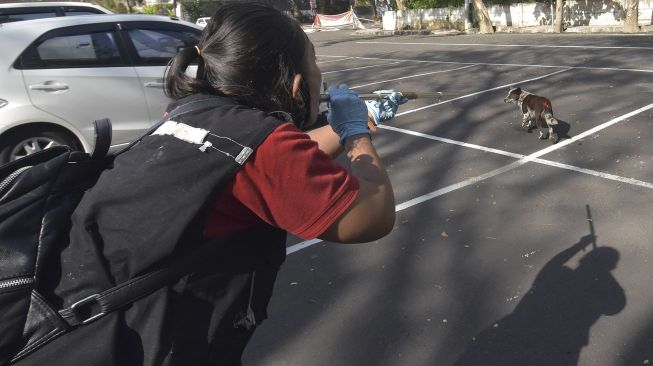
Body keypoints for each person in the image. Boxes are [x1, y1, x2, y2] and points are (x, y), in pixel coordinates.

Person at [161, 3, 406, 365]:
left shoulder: (193, 114)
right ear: (294, 83)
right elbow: (373, 216)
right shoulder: (261, 148)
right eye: (314, 64)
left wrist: (356, 121)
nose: (319, 75)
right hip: (176, 344)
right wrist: (356, 134)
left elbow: (286, 160)